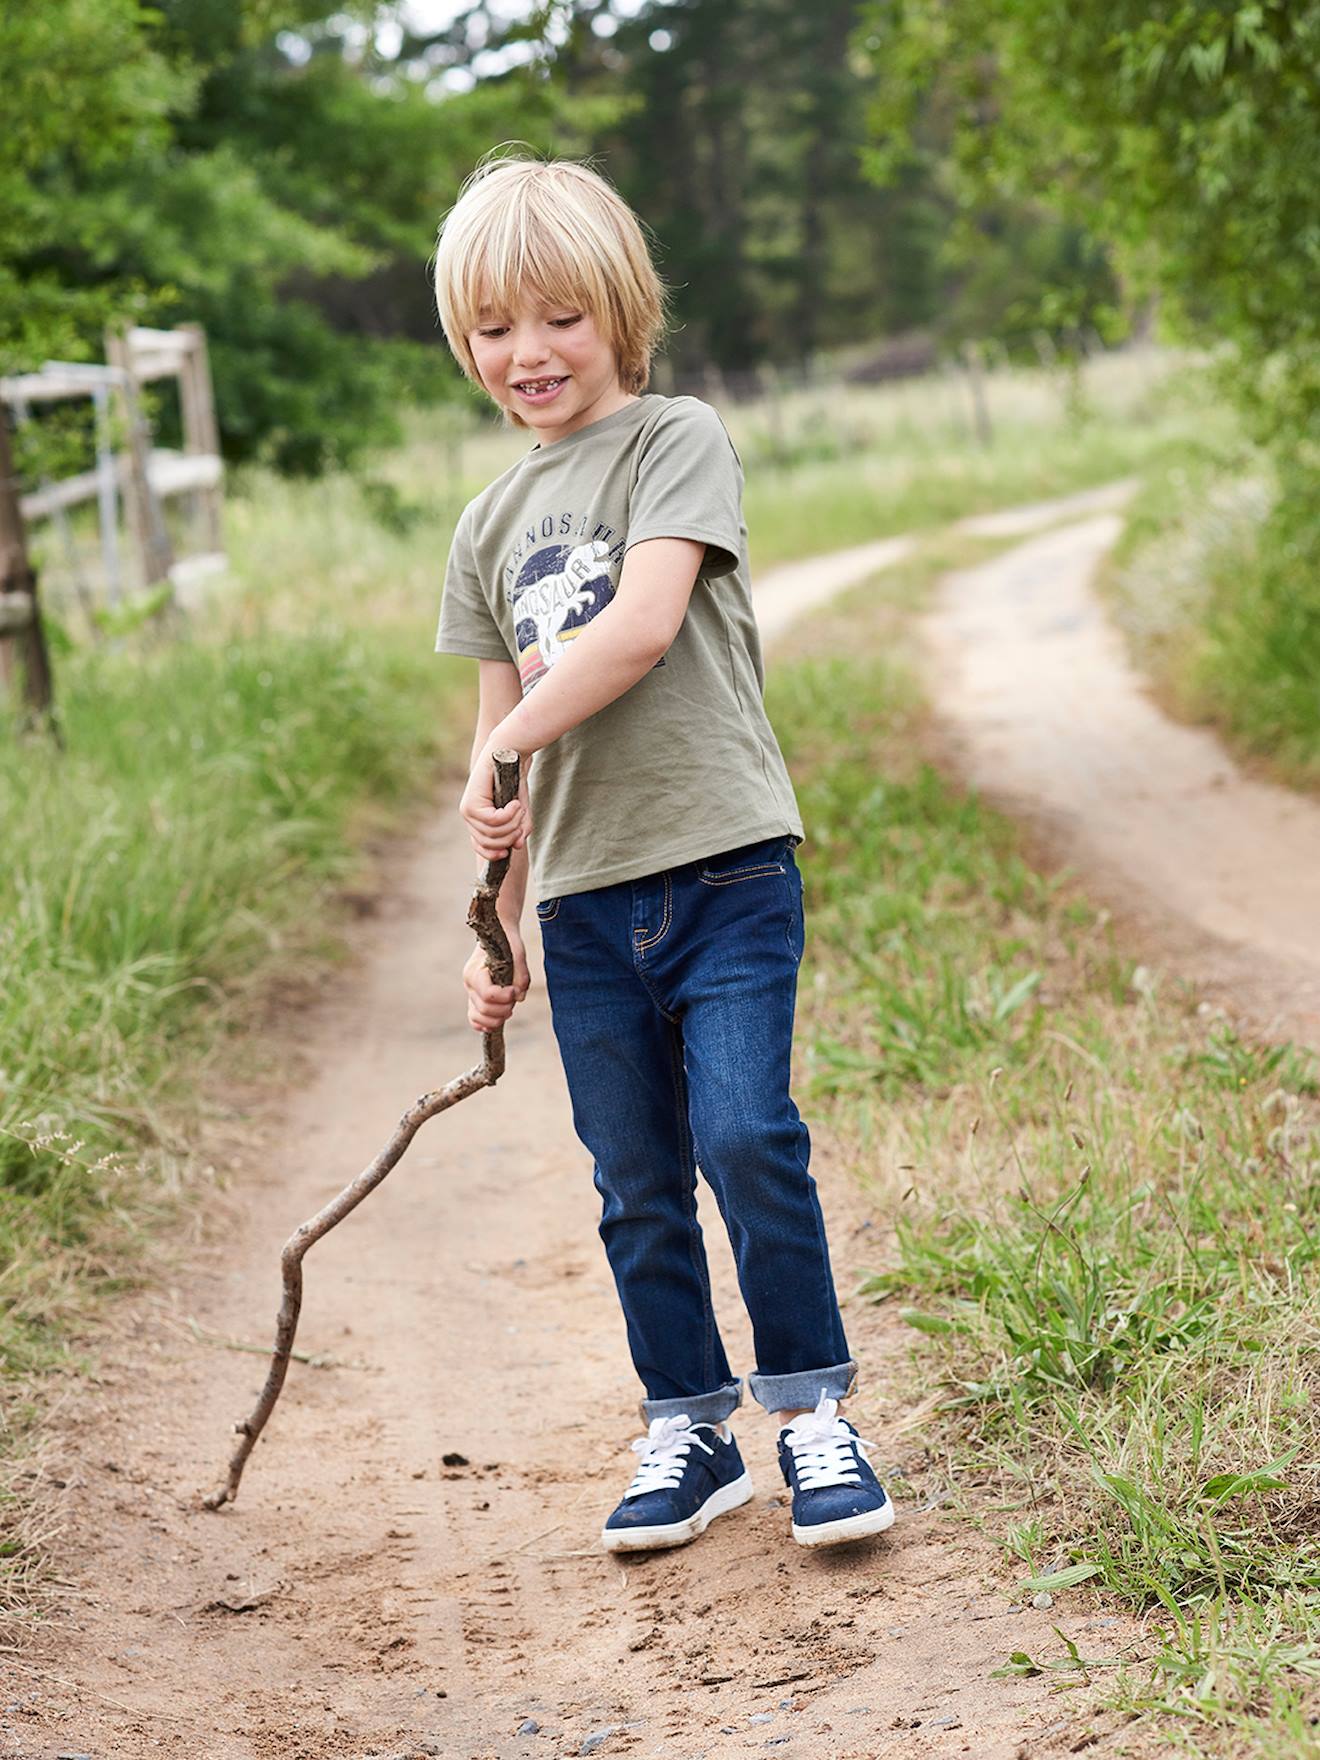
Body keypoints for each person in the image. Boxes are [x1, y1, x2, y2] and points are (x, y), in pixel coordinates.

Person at [431, 148, 893, 1553]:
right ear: (466, 344)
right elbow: (501, 754)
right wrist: (492, 932)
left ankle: (812, 1409)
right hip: (580, 906)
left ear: (622, 311)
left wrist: (505, 748)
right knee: (635, 1180)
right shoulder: (483, 527)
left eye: (560, 316)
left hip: (727, 871)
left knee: (748, 1135)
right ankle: (689, 1427)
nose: (529, 352)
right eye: (495, 327)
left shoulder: (674, 440)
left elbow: (632, 632)